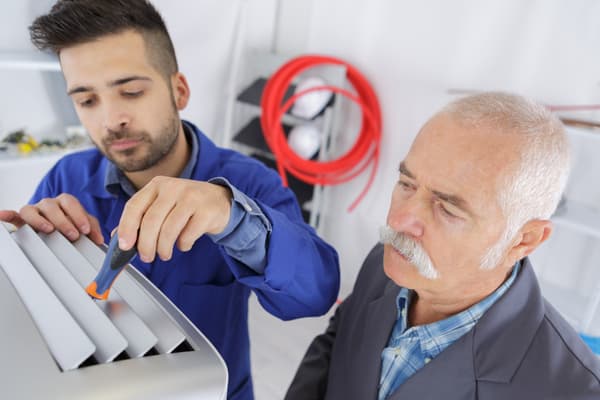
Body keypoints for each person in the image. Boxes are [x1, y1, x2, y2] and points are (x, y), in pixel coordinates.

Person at [0, 1, 340, 399]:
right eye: (87, 100)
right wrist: (24, 254)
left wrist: (231, 218)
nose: (111, 119)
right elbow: (34, 310)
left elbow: (316, 293)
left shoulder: (249, 182)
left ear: (179, 90)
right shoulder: (66, 179)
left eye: (130, 91)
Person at [285, 92, 600, 400]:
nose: (399, 220)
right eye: (407, 185)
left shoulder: (570, 390)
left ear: (524, 239)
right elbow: (337, 344)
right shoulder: (387, 264)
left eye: (448, 209)